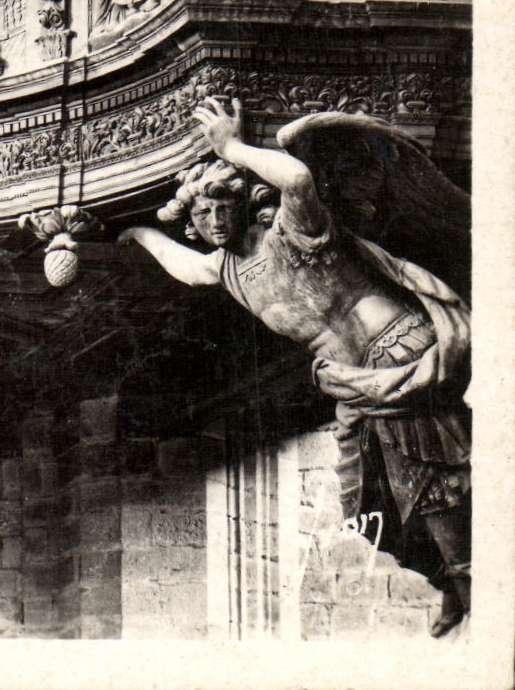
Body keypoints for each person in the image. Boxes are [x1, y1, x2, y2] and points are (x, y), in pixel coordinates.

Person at [118, 97, 471, 636]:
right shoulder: (229, 270)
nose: (214, 221)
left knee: (428, 480)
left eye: (222, 207)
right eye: (202, 215)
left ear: (245, 203)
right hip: (352, 385)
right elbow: (189, 269)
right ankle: (447, 576)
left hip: (396, 352)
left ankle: (469, 585)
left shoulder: (292, 232)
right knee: (363, 500)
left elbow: (300, 178)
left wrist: (232, 148)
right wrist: (139, 235)